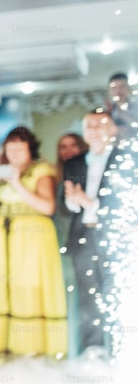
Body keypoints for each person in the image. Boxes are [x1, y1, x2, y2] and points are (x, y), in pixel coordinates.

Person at [0, 127, 67, 359]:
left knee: (30, 285)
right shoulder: (0, 173)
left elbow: (47, 207)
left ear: (30, 148)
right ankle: (5, 344)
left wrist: (17, 182)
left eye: (20, 147)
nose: (15, 152)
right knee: (3, 287)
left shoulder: (41, 171)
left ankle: (34, 345)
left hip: (33, 236)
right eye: (11, 148)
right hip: (4, 236)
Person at [62, 110, 118, 358]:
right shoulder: (74, 163)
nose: (94, 129)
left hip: (115, 236)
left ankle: (120, 347)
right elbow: (67, 208)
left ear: (112, 129)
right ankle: (94, 349)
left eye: (100, 124)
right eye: (89, 125)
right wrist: (74, 201)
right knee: (88, 295)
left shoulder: (125, 159)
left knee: (116, 291)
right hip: (83, 236)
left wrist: (89, 203)